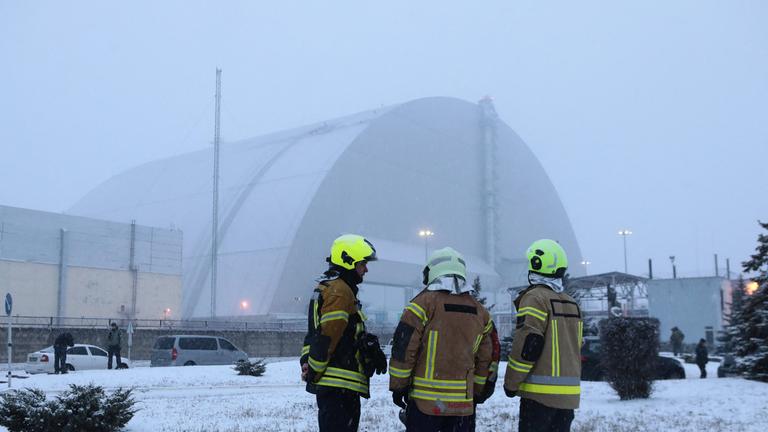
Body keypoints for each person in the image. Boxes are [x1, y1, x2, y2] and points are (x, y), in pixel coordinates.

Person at [389, 247, 493, 432]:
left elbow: (403, 349)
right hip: (463, 406)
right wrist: (476, 391)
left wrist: (399, 386)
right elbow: (485, 358)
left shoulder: (422, 304)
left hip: (425, 405)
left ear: (432, 272)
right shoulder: (480, 312)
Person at [300, 234, 387, 432]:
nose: (366, 269)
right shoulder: (340, 291)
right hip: (339, 387)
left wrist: (367, 345)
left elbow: (316, 333)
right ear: (348, 261)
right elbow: (327, 336)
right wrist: (314, 369)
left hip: (337, 387)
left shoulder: (332, 288)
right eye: (362, 263)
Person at [504, 239, 582, 432]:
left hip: (539, 398)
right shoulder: (571, 303)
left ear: (537, 263)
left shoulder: (535, 298)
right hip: (568, 399)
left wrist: (511, 383)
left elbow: (528, 345)